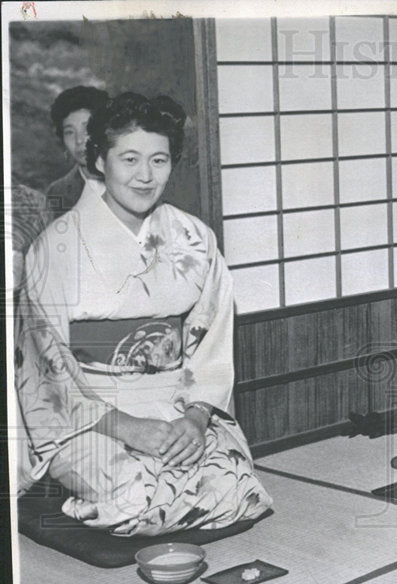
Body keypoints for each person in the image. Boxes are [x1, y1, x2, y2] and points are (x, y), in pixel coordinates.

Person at [16, 92, 272, 536]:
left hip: (174, 401)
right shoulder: (55, 247)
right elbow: (45, 369)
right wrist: (128, 427)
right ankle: (73, 490)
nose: (145, 175)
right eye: (129, 159)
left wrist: (195, 418)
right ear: (99, 161)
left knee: (237, 492)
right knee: (138, 497)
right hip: (89, 411)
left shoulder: (193, 236)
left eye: (160, 160)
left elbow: (211, 337)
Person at [44, 85, 109, 218]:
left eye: (87, 129)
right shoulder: (57, 192)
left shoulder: (137, 177)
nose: (79, 140)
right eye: (69, 132)